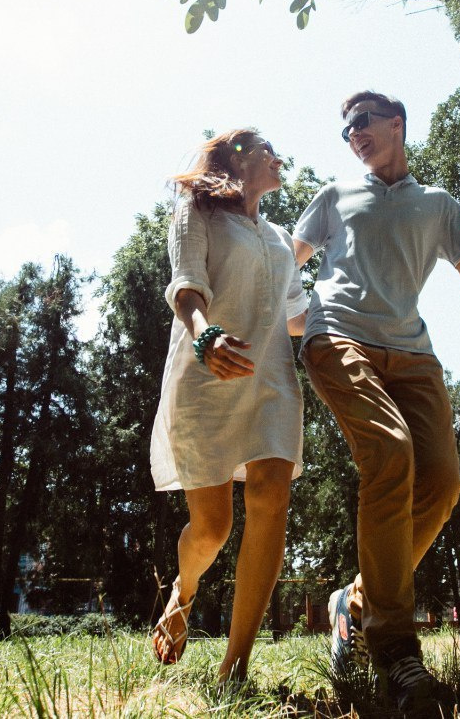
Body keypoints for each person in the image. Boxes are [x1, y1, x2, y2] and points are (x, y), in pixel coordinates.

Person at [291, 92, 460, 713]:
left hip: (412, 353)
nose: (353, 133)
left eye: (363, 122)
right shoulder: (333, 197)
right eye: (345, 127)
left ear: (397, 125)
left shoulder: (437, 204)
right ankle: (396, 652)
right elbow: (285, 263)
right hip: (337, 335)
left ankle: (354, 602)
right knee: (390, 454)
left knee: (441, 481)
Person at [149, 128, 309, 684]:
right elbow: (187, 287)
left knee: (271, 497)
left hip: (272, 387)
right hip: (208, 379)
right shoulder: (198, 212)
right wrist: (204, 335)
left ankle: (235, 666)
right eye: (268, 147)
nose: (278, 155)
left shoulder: (281, 239)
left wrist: (360, 326)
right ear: (238, 158)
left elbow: (296, 318)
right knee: (212, 530)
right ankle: (183, 590)